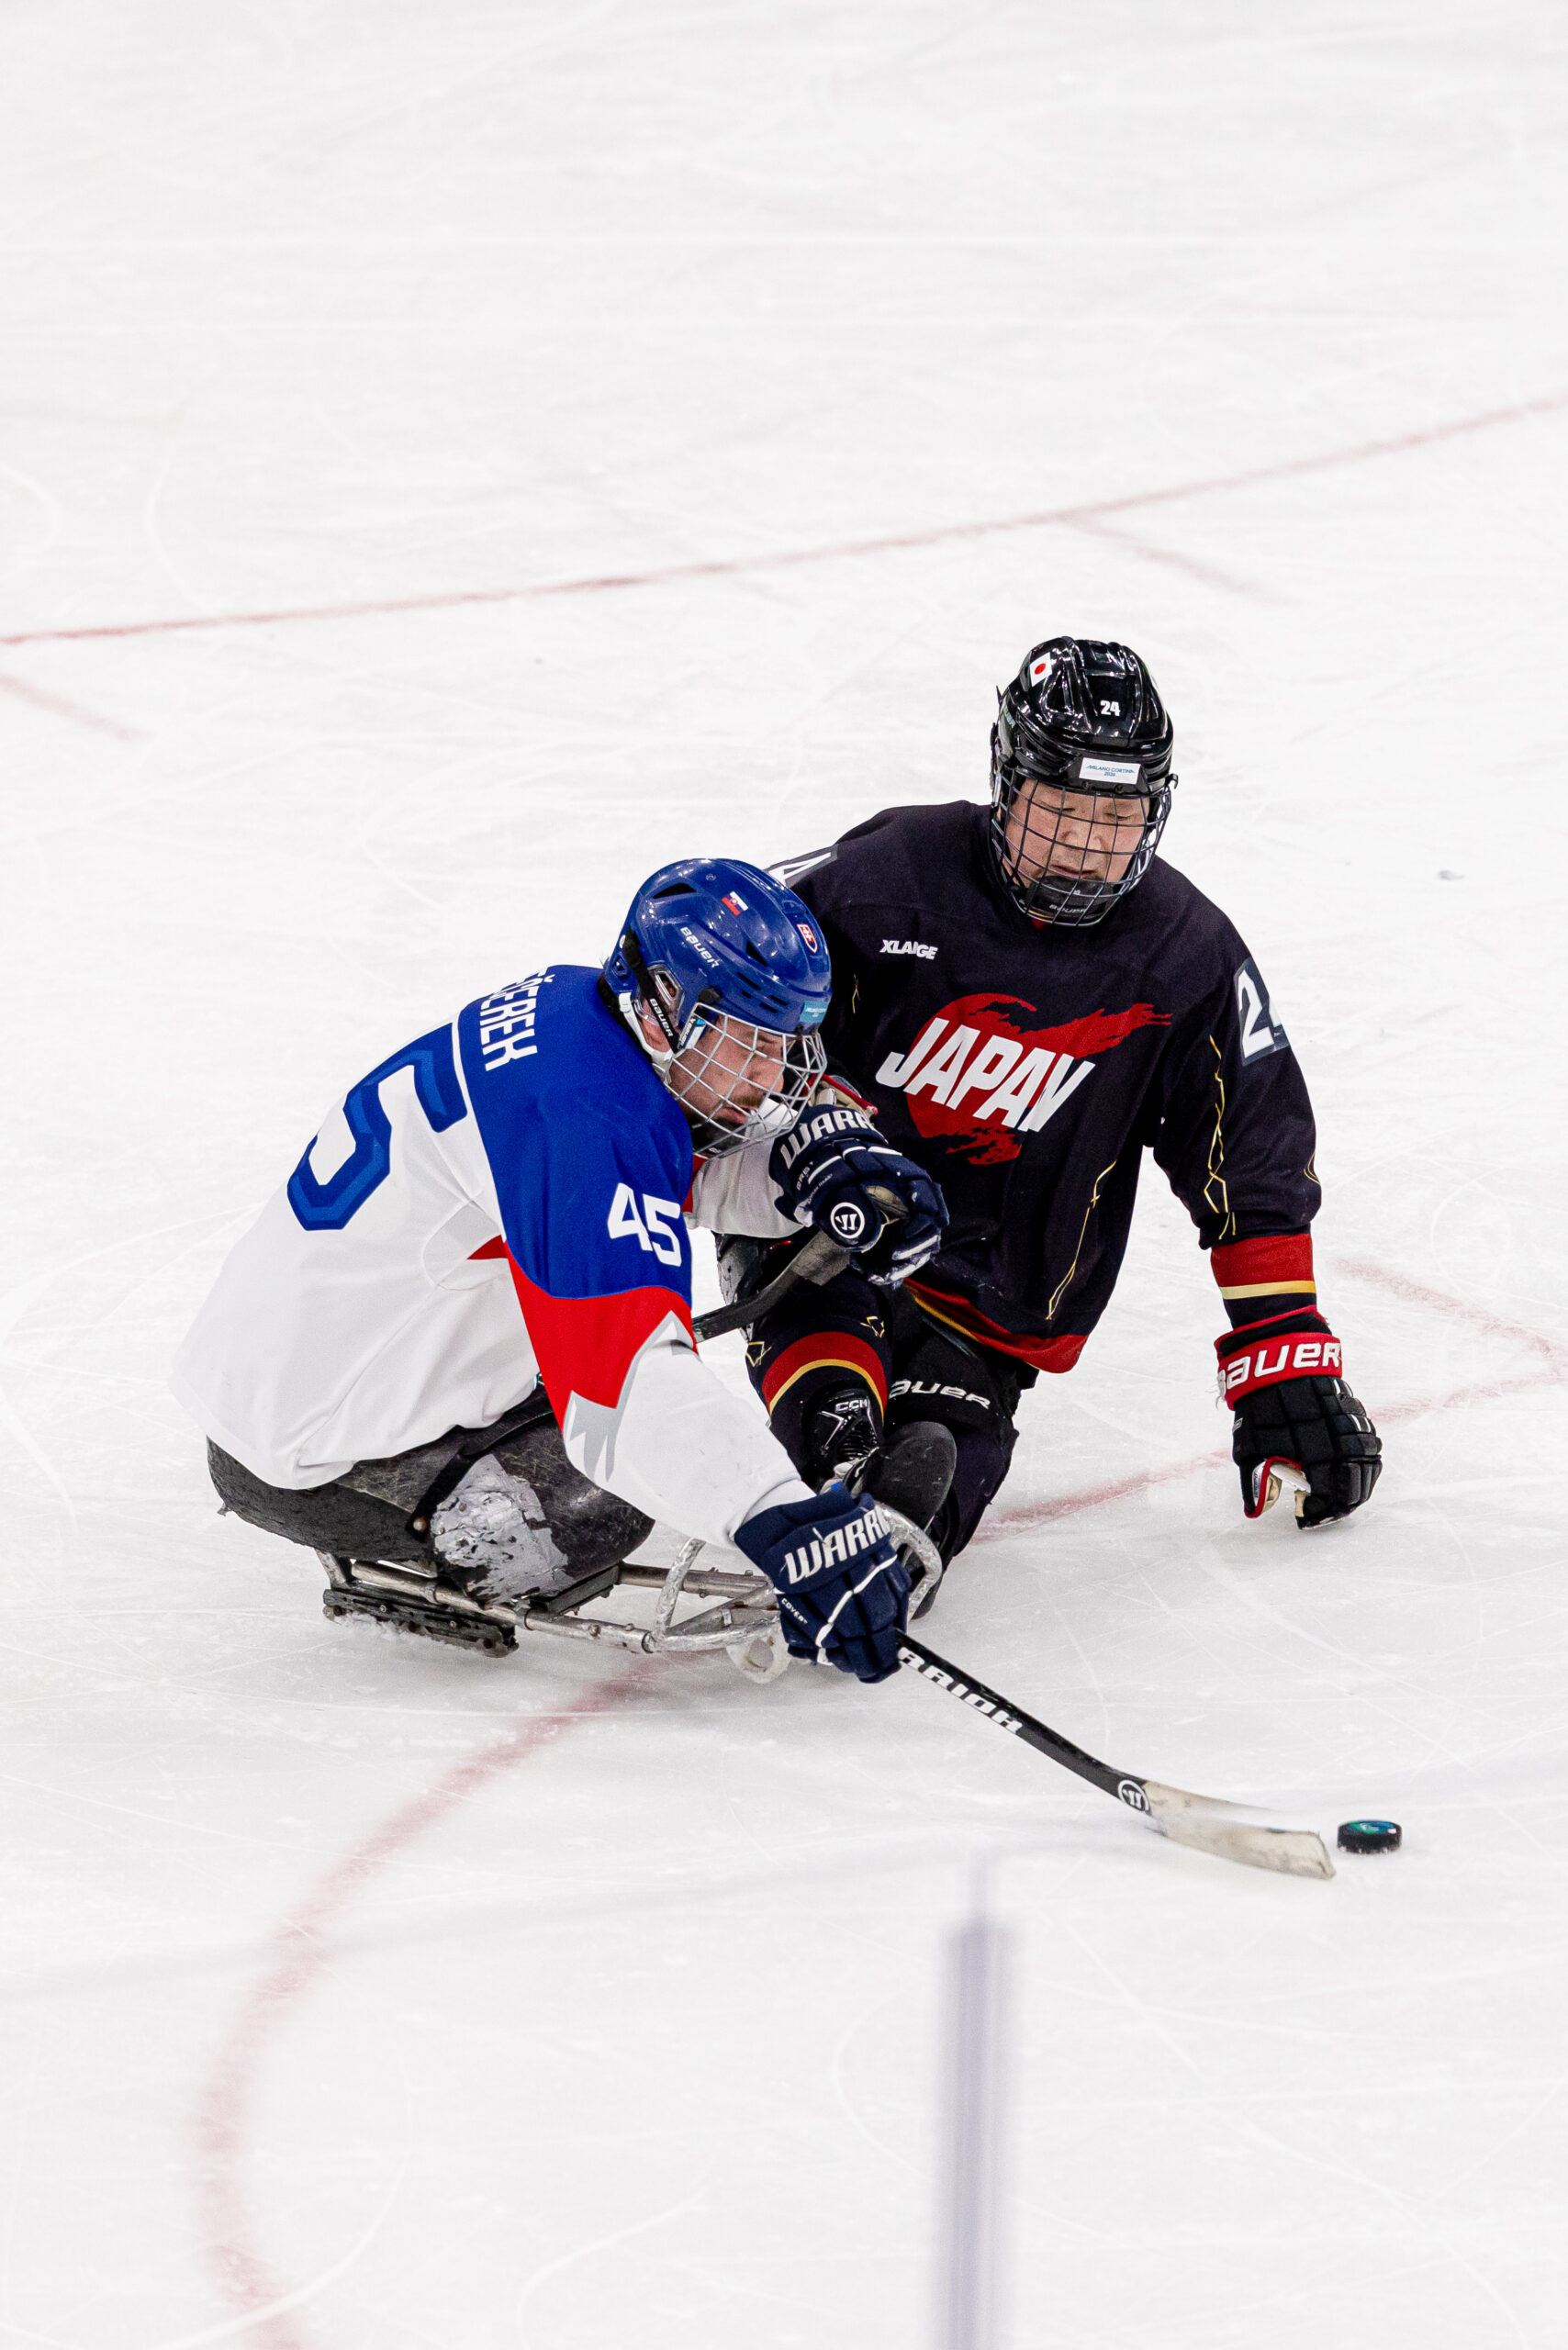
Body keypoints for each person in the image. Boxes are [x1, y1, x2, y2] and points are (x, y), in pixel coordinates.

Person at [171, 858, 947, 1682]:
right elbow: (623, 1391)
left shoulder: (583, 1020)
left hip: (290, 1372)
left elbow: (660, 1164)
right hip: (312, 1451)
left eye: (784, 1044)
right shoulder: (578, 1119)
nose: (772, 1077)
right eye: (751, 1042)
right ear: (667, 1008)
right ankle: (421, 1509)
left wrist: (810, 1175)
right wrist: (779, 1520)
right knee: (595, 1506)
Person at [724, 636, 1382, 1608]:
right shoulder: (886, 876)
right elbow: (732, 987)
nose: (1084, 846)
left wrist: (1282, 1341)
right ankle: (834, 1446)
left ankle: (889, 1540)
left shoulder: (1184, 952)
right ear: (1007, 784)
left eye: (1115, 818)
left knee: (940, 1462)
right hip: (827, 1231)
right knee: (834, 1410)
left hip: (990, 1295)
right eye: (1062, 810)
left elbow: (1249, 1145)